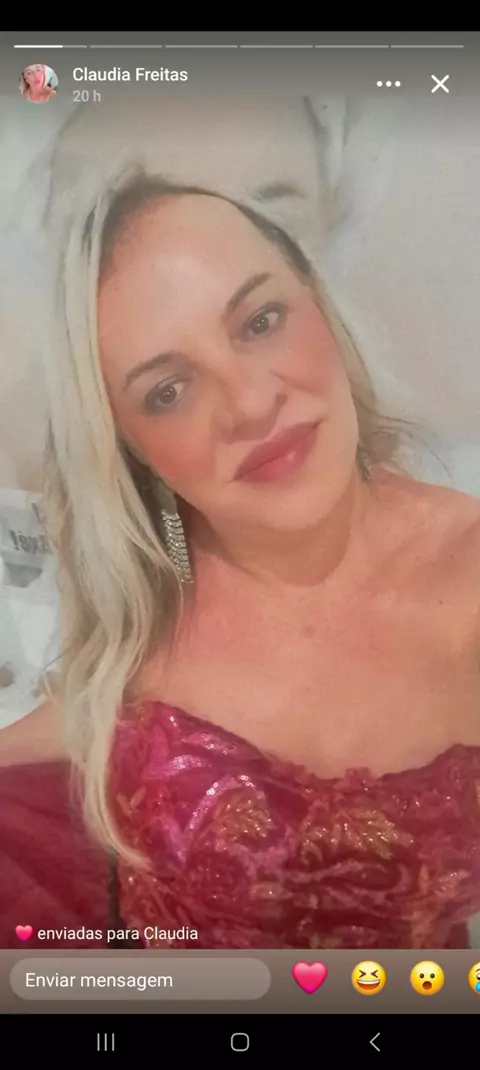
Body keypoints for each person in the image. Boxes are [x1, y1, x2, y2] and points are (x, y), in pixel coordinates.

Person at [1, 96, 480, 950]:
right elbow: (74, 716)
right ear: (135, 450)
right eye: (167, 391)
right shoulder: (149, 600)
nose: (251, 404)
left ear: (319, 302)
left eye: (261, 321)